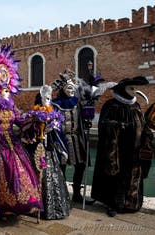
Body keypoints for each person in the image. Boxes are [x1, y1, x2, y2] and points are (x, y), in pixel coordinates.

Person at [0, 45, 43, 218]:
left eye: (8, 91)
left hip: (13, 144)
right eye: (3, 91)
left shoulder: (13, 108)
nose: (7, 94)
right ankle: (0, 208)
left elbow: (22, 122)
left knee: (20, 174)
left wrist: (38, 122)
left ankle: (21, 204)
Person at [91, 76, 153, 217]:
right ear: (123, 89)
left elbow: (141, 124)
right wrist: (117, 126)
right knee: (117, 175)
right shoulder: (112, 105)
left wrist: (146, 132)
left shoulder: (135, 105)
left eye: (135, 88)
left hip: (135, 150)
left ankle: (132, 202)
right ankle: (114, 203)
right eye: (131, 88)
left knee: (134, 175)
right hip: (119, 150)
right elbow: (104, 125)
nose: (135, 91)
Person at [25, 85, 70, 220]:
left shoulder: (53, 114)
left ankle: (54, 208)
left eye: (50, 99)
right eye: (46, 99)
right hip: (37, 150)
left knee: (53, 176)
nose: (48, 101)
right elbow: (27, 131)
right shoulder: (34, 114)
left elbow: (58, 134)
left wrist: (62, 149)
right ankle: (36, 207)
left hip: (49, 150)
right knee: (37, 176)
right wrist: (38, 130)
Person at [51, 69, 89, 203]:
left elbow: (82, 118)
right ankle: (62, 193)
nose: (71, 90)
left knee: (81, 165)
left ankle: (77, 193)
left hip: (77, 139)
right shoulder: (56, 104)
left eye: (73, 88)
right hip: (62, 139)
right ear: (63, 89)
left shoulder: (77, 102)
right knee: (62, 166)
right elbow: (53, 122)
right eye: (68, 88)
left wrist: (87, 120)